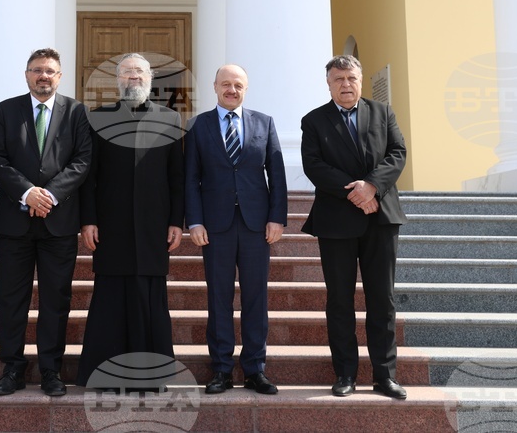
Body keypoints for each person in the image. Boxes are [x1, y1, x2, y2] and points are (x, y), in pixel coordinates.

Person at [300, 54, 408, 400]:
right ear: (328, 83)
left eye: (350, 78)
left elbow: (398, 153)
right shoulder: (314, 121)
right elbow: (314, 165)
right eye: (338, 79)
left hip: (381, 216)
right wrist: (356, 192)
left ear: (359, 80)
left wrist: (372, 186)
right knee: (340, 300)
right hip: (336, 221)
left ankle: (384, 376)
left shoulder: (383, 113)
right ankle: (345, 373)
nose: (345, 85)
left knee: (382, 299)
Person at [0, 48, 92, 398]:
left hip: (58, 223)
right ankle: (12, 368)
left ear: (59, 77)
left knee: (55, 300)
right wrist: (28, 193)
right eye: (37, 70)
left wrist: (48, 196)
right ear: (27, 74)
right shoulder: (6, 110)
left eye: (49, 71)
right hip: (14, 222)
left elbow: (82, 160)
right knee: (10, 298)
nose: (43, 76)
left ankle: (51, 370)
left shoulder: (76, 112)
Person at [75, 53, 185, 389]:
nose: (133, 77)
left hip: (154, 226)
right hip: (111, 224)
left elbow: (177, 176)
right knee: (109, 299)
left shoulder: (170, 118)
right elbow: (88, 177)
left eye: (139, 71)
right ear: (117, 79)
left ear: (150, 77)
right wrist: (88, 220)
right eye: (126, 72)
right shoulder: (98, 118)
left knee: (150, 298)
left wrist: (176, 221)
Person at [184, 64, 287, 395]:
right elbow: (190, 179)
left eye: (238, 85)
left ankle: (255, 369)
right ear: (215, 86)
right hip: (215, 227)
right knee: (219, 298)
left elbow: (277, 174)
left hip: (257, 226)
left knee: (256, 298)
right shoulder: (198, 126)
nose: (231, 89)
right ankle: (222, 370)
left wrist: (277, 217)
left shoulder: (264, 123)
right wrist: (195, 221)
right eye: (226, 84)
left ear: (246, 88)